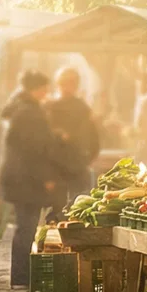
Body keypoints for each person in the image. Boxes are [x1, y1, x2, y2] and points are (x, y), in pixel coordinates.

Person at [0, 71, 60, 288]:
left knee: (24, 225)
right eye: (45, 87)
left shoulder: (19, 108)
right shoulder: (28, 112)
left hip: (20, 177)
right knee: (26, 226)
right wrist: (46, 177)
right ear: (36, 88)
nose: (47, 92)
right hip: (26, 179)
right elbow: (32, 150)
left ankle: (21, 275)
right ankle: (22, 276)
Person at [45, 67, 100, 207]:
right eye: (64, 83)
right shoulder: (50, 107)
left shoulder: (81, 108)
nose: (67, 86)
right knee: (57, 208)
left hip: (76, 164)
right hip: (56, 166)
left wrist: (89, 157)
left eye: (71, 83)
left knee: (78, 204)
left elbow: (92, 136)